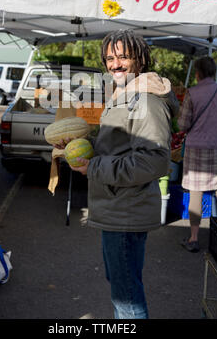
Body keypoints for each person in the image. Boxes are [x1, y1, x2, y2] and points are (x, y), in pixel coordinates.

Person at [55, 29, 179, 319]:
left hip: (126, 209)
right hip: (116, 206)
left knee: (126, 296)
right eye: (110, 58)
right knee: (122, 283)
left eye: (123, 56)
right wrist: (80, 148)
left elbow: (155, 162)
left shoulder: (146, 102)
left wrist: (93, 167)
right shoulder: (124, 94)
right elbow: (117, 146)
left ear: (140, 58)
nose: (115, 64)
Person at [178, 56, 217, 253]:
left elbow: (183, 124)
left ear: (197, 73)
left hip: (197, 150)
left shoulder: (192, 93)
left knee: (196, 192)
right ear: (213, 72)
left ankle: (194, 239)